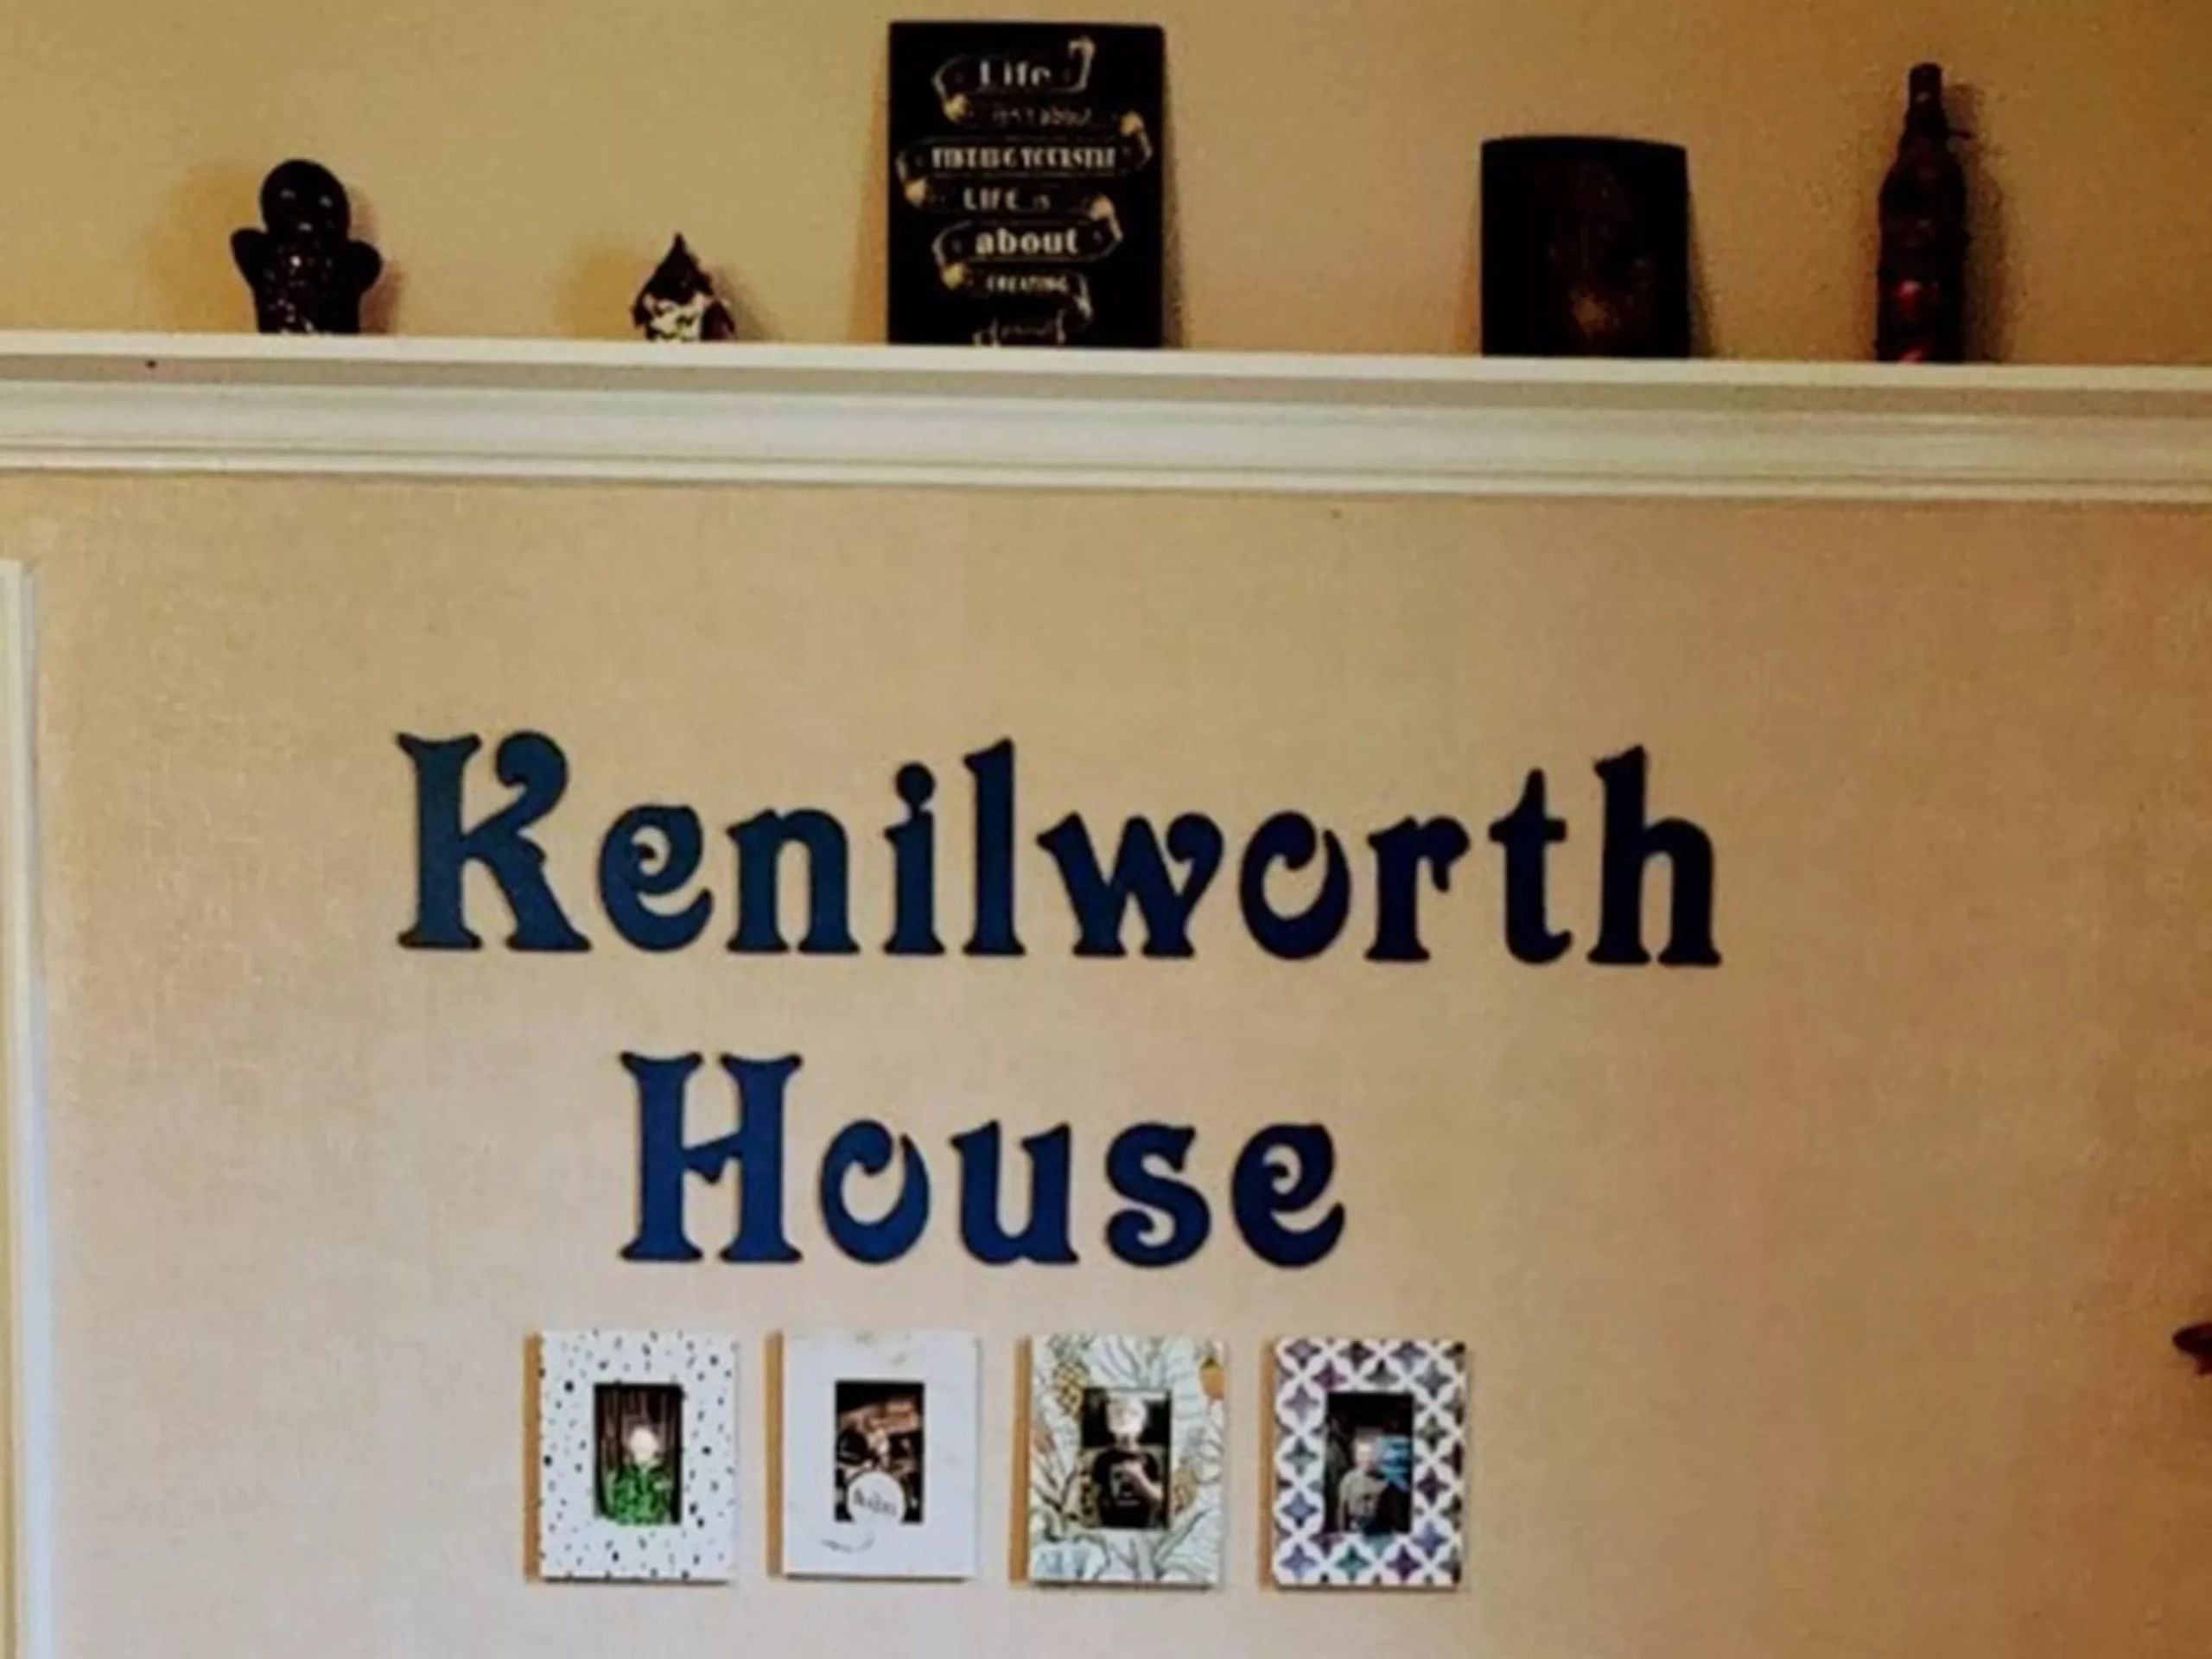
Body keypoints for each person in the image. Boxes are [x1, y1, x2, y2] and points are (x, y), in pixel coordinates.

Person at [1088, 1393, 1167, 1530]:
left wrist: (1139, 1477)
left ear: (1141, 1427)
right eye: (1121, 1430)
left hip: (1142, 1527)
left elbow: (1158, 1499)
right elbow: (1094, 1497)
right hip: (1110, 1526)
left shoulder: (1149, 1459)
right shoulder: (1103, 1459)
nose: (1125, 1436)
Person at [601, 1419, 677, 1527]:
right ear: (630, 1446)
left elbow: (669, 1516)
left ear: (655, 1447)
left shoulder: (666, 1479)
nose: (641, 1448)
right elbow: (611, 1514)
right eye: (638, 1443)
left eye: (646, 1445)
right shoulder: (616, 1478)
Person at [1336, 1430, 1402, 1535]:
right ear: (1355, 1456)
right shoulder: (1348, 1480)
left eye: (1370, 1455)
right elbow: (1342, 1513)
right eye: (1362, 1454)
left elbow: (1395, 1517)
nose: (1366, 1459)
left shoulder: (1387, 1482)